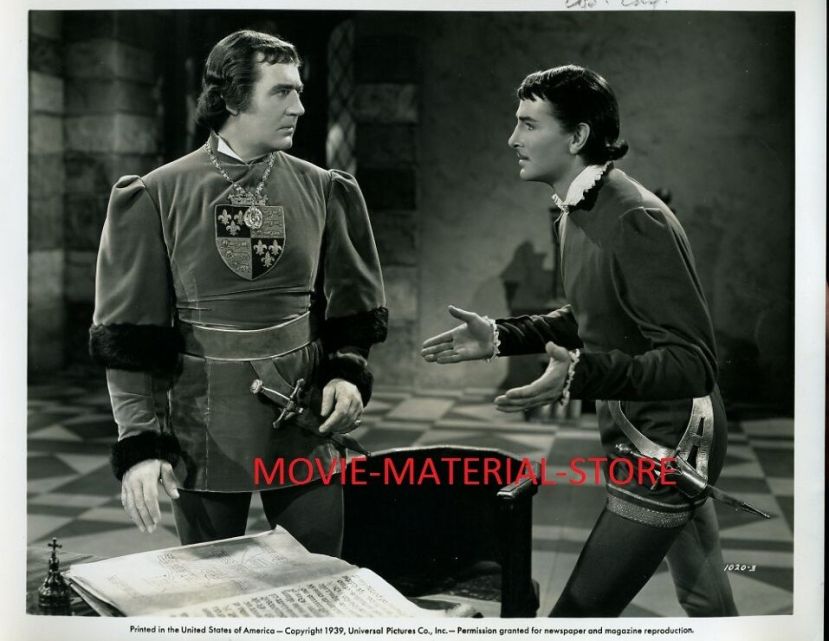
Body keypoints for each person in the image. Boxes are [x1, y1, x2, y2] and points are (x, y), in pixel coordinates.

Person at [421, 65, 737, 617]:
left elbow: (693, 362)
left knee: (579, 615)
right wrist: (500, 336)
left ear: (577, 136)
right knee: (706, 599)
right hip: (639, 430)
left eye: (528, 124)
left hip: (669, 444)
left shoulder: (636, 217)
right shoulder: (578, 210)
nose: (512, 138)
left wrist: (578, 374)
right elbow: (592, 314)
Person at [90, 30, 387, 555]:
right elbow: (130, 334)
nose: (299, 107)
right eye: (281, 91)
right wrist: (139, 441)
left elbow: (355, 305)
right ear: (231, 97)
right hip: (203, 421)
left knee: (319, 574)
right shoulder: (155, 194)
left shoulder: (326, 188)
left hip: (302, 416)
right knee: (213, 584)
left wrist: (347, 372)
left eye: (299, 91)